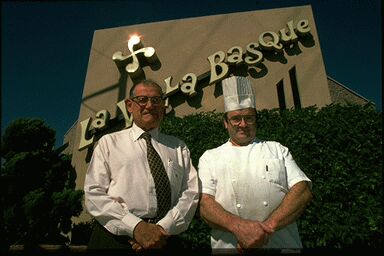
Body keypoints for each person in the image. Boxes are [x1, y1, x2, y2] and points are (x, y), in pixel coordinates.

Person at [198, 76, 313, 254]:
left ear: (256, 120)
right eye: (236, 119)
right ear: (225, 123)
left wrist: (267, 228)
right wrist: (240, 228)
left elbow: (302, 190)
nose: (243, 124)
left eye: (249, 118)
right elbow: (205, 205)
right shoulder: (210, 157)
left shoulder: (277, 149)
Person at [84, 79, 199, 253]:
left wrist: (162, 229)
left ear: (163, 106)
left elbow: (190, 191)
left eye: (156, 100)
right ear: (130, 105)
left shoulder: (178, 147)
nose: (150, 105)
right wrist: (136, 227)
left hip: (165, 240)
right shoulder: (108, 143)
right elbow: (94, 193)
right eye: (142, 100)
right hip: (115, 239)